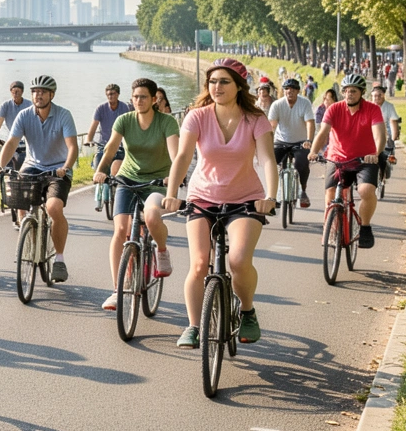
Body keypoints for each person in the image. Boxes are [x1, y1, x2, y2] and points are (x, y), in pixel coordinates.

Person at [163, 58, 277, 349]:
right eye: (212, 82)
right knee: (200, 263)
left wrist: (270, 196)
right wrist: (173, 192)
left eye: (224, 81)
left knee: (238, 260)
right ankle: (193, 325)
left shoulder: (255, 120)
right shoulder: (197, 116)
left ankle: (248, 311)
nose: (217, 87)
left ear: (239, 86)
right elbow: (184, 157)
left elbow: (266, 159)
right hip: (203, 197)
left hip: (245, 199)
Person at [93, 78, 179, 310]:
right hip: (128, 178)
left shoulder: (167, 122)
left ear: (154, 100)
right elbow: (111, 147)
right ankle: (116, 290)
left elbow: (175, 154)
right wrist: (101, 170)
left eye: (143, 97)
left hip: (157, 181)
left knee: (151, 217)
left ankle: (161, 250)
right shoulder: (124, 120)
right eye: (135, 97)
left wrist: (174, 177)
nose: (138, 101)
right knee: (120, 230)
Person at [0, 75, 80, 282]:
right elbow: (11, 143)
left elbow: (73, 147)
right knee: (17, 197)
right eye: (35, 92)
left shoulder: (63, 115)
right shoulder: (24, 115)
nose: (38, 95)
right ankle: (29, 230)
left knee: (53, 208)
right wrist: (0, 165)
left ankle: (59, 259)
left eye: (42, 92)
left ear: (51, 95)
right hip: (32, 166)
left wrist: (66, 167)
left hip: (57, 170)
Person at [308, 74, 387, 248]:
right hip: (337, 159)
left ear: (361, 93)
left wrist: (375, 152)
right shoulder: (334, 109)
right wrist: (314, 151)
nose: (349, 94)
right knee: (330, 192)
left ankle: (365, 227)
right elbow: (323, 133)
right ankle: (333, 228)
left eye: (353, 91)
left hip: (364, 159)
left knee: (366, 191)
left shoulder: (372, 109)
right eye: (346, 91)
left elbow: (380, 134)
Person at [268, 77, 316, 208]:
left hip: (300, 142)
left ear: (298, 91)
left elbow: (310, 123)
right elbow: (271, 126)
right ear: (283, 91)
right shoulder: (277, 105)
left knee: (302, 164)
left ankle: (303, 191)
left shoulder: (304, 103)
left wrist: (309, 140)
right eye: (287, 89)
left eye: (293, 89)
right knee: (271, 163)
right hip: (281, 141)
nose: (290, 91)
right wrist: (268, 142)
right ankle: (273, 194)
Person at [86, 83, 132, 211]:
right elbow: (93, 126)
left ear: (117, 94)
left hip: (121, 145)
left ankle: (122, 191)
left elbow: (130, 126)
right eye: (108, 94)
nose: (110, 96)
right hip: (104, 144)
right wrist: (88, 139)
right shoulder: (100, 108)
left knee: (123, 171)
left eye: (112, 94)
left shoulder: (124, 108)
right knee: (98, 163)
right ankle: (99, 197)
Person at [0, 81, 32, 172]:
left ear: (22, 92)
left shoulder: (29, 105)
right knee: (1, 153)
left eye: (18, 91)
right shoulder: (5, 105)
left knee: (22, 160)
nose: (15, 94)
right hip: (8, 137)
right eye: (13, 92)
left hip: (23, 138)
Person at [370, 83, 401, 180]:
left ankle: (388, 161)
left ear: (383, 95)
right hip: (371, 133)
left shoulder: (389, 106)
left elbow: (393, 121)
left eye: (379, 95)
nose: (377, 98)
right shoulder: (369, 107)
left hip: (386, 133)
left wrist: (394, 135)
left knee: (388, 149)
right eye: (375, 96)